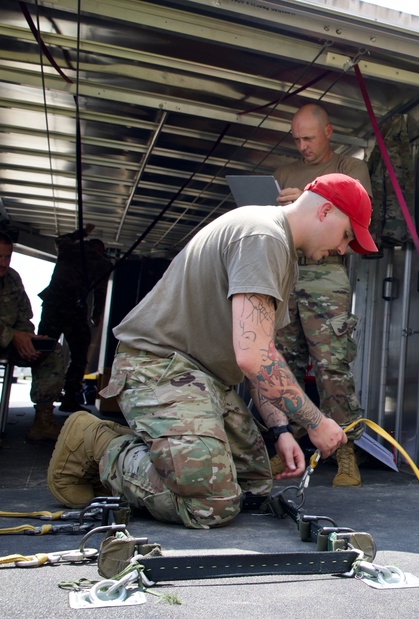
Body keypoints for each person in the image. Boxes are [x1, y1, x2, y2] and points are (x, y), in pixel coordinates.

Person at [47, 174, 378, 529]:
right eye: (347, 236)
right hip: (157, 367)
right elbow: (254, 356)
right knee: (212, 503)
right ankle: (99, 442)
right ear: (326, 211)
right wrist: (315, 422)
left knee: (253, 485)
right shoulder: (262, 237)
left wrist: (281, 431)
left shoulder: (282, 254)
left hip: (202, 380)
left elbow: (261, 363)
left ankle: (168, 458)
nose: (343, 249)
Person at [272, 103, 373, 487]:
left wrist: (308, 201)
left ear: (329, 132)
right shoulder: (283, 172)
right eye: (296, 139)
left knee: (332, 366)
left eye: (309, 138)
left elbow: (360, 220)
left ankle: (347, 453)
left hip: (326, 275)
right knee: (283, 362)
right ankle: (286, 445)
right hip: (287, 270)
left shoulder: (350, 169)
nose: (302, 147)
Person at [38, 223, 112, 412]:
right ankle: (69, 396)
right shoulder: (102, 263)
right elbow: (100, 291)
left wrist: (82, 233)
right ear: (100, 249)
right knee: (79, 355)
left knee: (44, 350)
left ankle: (42, 400)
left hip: (53, 306)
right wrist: (96, 314)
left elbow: (61, 239)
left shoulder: (70, 248)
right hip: (75, 310)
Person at [0, 232, 66, 443]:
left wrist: (28, 337)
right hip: (7, 338)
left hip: (9, 342)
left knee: (52, 349)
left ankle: (43, 421)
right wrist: (13, 335)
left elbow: (23, 316)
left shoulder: (11, 277)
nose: (3, 263)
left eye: (7, 257)